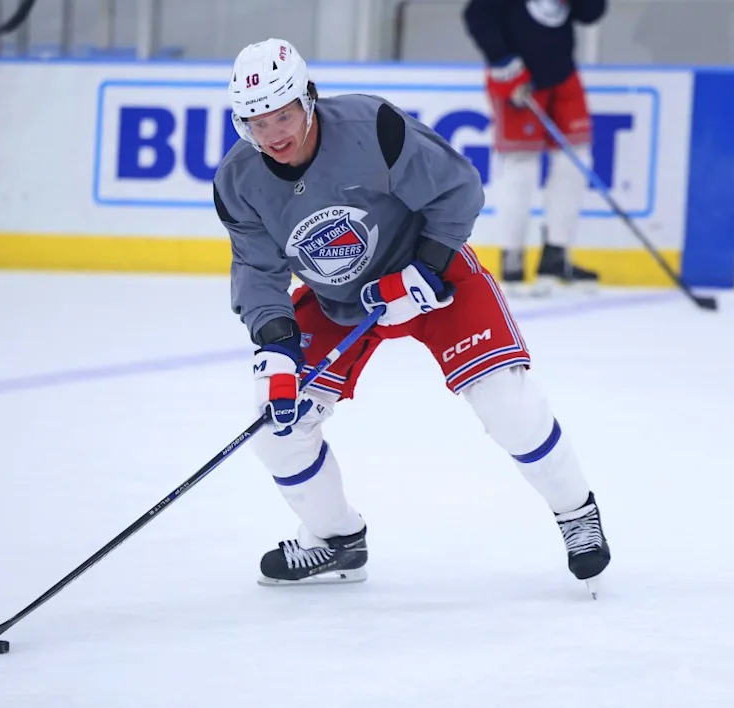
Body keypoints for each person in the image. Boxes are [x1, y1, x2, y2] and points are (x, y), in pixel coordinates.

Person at [212, 38, 611, 592]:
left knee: (507, 404)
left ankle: (576, 513)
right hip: (341, 302)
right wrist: (276, 347)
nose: (273, 133)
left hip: (433, 275)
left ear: (309, 99)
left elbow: (459, 188)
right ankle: (336, 541)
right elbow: (256, 272)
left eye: (282, 114)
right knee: (277, 426)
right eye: (257, 122)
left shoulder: (372, 127)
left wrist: (426, 267)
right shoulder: (239, 180)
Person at [463, 0, 607, 295]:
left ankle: (555, 256)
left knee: (575, 161)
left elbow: (591, 12)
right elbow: (477, 13)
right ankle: (512, 260)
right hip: (517, 78)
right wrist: (500, 57)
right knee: (521, 166)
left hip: (562, 75)